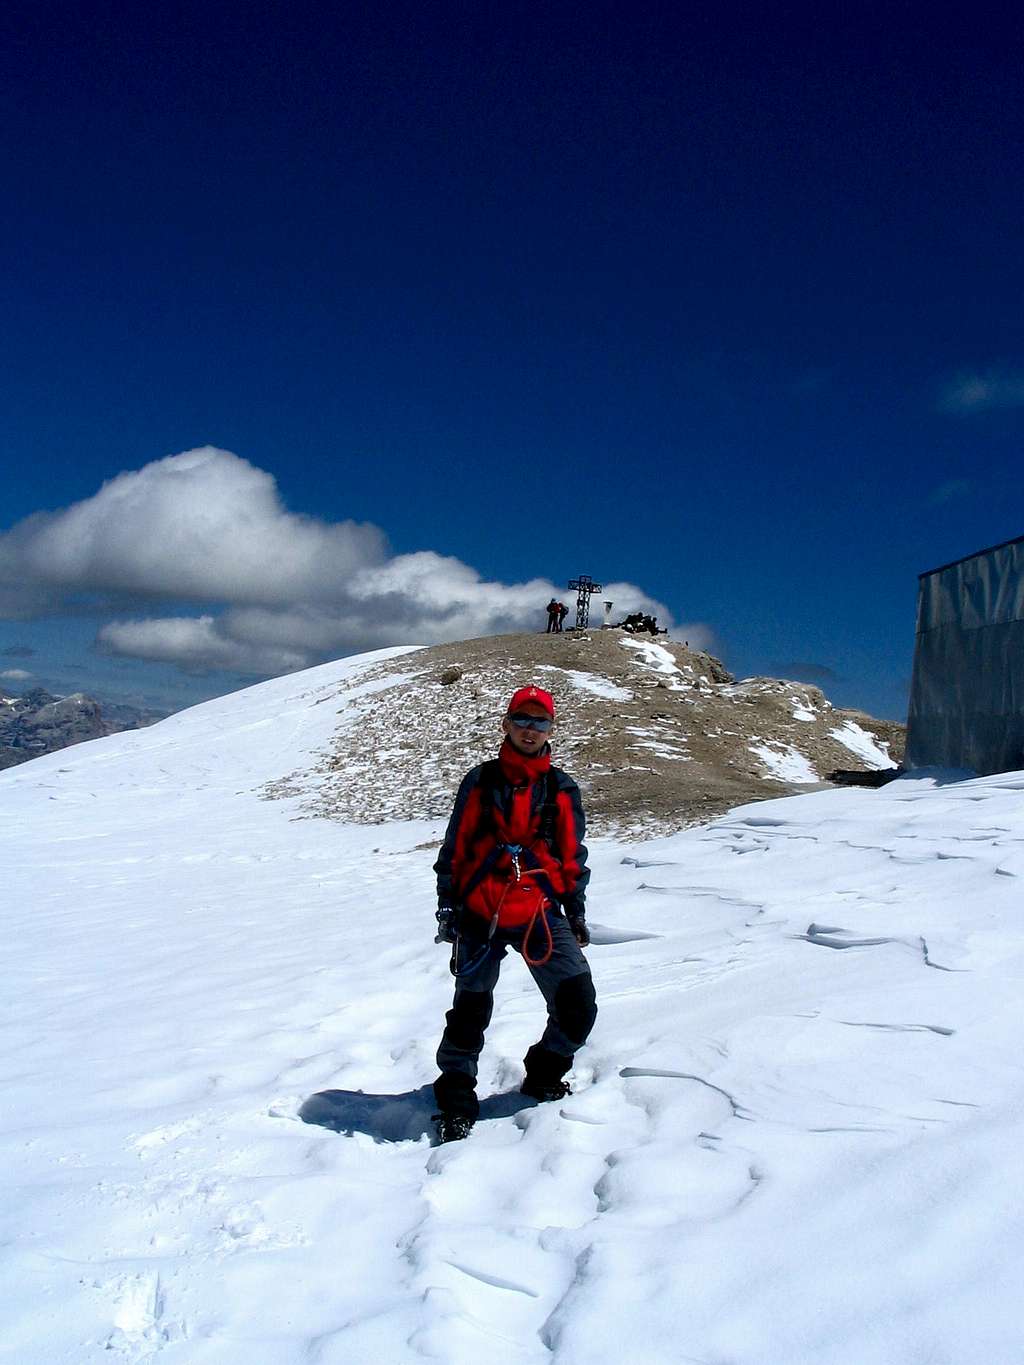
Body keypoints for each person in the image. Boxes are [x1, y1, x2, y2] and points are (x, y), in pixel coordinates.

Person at [431, 685, 597, 1142]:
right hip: (480, 911)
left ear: (551, 729)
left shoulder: (561, 788)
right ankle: (456, 1093)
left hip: (539, 914)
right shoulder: (481, 781)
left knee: (578, 1005)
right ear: (506, 724)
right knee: (469, 1013)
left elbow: (570, 855)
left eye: (539, 721)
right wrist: (448, 903)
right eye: (522, 719)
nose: (530, 728)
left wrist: (575, 912)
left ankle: (544, 1073)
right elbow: (456, 845)